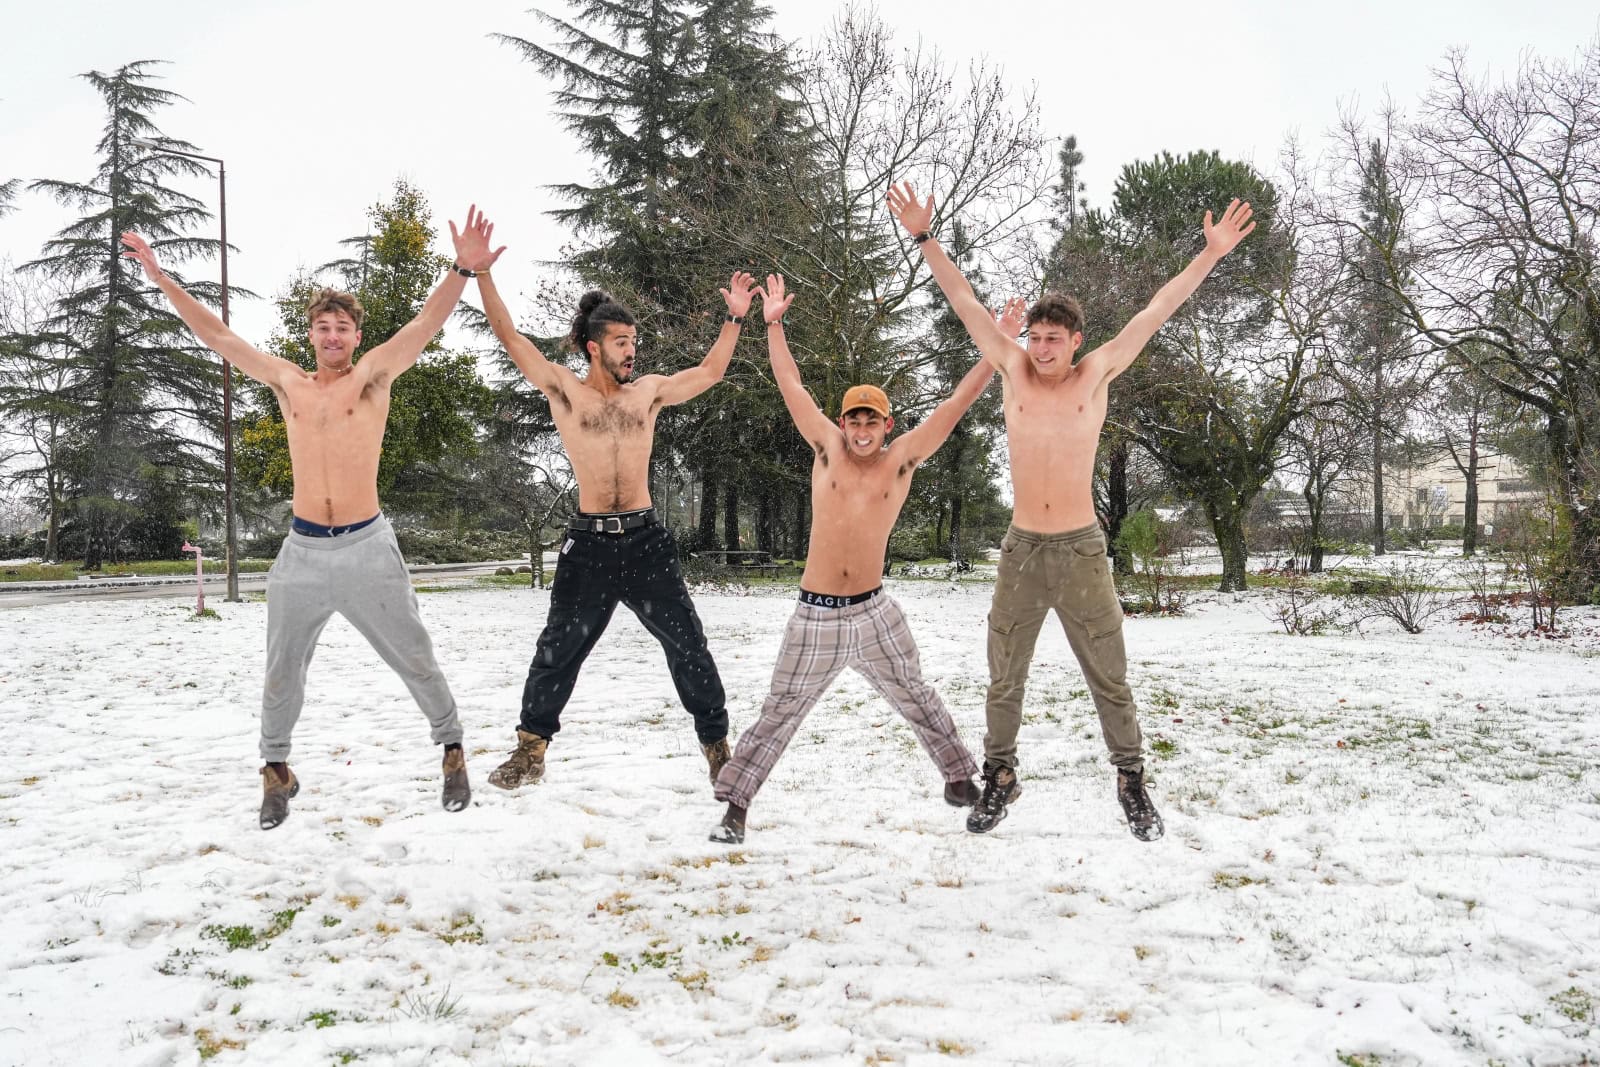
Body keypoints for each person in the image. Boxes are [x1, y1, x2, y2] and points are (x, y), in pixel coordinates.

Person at [887, 181, 1256, 839]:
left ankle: (1132, 780)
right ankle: (999, 777)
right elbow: (963, 300)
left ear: (1077, 341)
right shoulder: (1011, 369)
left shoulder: (1098, 373)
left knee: (1110, 677)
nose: (1041, 347)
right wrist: (924, 237)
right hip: (1023, 550)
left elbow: (1158, 308)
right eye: (1035, 337)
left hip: (1083, 550)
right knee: (1004, 679)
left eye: (1054, 338)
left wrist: (1211, 255)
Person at [120, 206, 505, 829]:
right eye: (323, 328)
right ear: (312, 335)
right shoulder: (289, 384)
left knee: (414, 655)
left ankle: (453, 749)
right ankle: (276, 770)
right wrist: (161, 275)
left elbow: (428, 323)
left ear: (356, 336)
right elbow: (218, 336)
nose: (332, 337)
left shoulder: (374, 378)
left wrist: (462, 268)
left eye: (342, 329)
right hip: (301, 554)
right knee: (281, 670)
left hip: (367, 549)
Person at [709, 275, 1011, 844]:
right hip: (816, 617)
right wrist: (772, 324)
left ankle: (958, 778)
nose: (863, 429)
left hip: (875, 614)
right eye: (855, 419)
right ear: (842, 423)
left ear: (887, 425)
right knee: (781, 711)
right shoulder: (826, 451)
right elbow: (790, 382)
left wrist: (996, 347)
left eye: (873, 420)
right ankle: (735, 806)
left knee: (916, 693)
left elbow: (955, 403)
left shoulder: (902, 462)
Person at [476, 260, 758, 791]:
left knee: (689, 646)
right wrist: (484, 274)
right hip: (588, 546)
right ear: (594, 347)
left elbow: (710, 373)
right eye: (623, 342)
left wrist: (734, 320)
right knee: (557, 650)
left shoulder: (647, 393)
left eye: (635, 341)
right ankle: (530, 751)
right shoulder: (566, 392)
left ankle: (719, 750)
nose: (633, 351)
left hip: (646, 543)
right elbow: (511, 338)